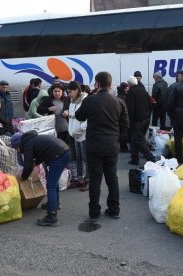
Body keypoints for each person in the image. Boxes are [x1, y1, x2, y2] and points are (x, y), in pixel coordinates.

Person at [75, 71, 129, 222]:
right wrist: (117, 139)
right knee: (112, 178)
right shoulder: (119, 102)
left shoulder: (90, 100)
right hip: (112, 145)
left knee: (95, 179)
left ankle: (94, 212)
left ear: (97, 84)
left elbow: (79, 116)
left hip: (94, 146)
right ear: (111, 84)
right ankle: (114, 209)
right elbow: (125, 125)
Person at [11, 130, 70, 227]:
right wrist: (36, 162)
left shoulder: (27, 145)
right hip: (64, 152)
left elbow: (28, 166)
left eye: (17, 148)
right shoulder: (32, 139)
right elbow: (42, 153)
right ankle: (55, 204)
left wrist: (23, 178)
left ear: (19, 144)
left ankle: (52, 217)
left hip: (59, 156)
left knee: (50, 185)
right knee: (53, 182)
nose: (17, 150)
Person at [126, 76, 156, 165]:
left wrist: (129, 121)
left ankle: (151, 158)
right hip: (146, 118)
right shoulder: (143, 90)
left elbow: (130, 108)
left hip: (137, 120)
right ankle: (134, 159)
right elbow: (152, 102)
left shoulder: (131, 92)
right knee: (134, 139)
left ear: (130, 84)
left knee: (138, 139)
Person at [67, 81, 89, 191]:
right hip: (75, 135)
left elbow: (87, 121)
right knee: (79, 158)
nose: (68, 94)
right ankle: (80, 179)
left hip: (84, 135)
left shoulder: (85, 101)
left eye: (70, 92)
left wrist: (78, 130)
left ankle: (89, 181)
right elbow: (72, 119)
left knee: (87, 159)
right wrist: (72, 131)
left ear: (76, 90)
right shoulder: (72, 102)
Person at [117, 82, 130, 152]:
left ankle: (122, 146)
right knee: (124, 132)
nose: (127, 89)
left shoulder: (118, 96)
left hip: (119, 116)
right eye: (126, 88)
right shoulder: (124, 97)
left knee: (121, 131)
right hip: (123, 117)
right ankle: (123, 147)